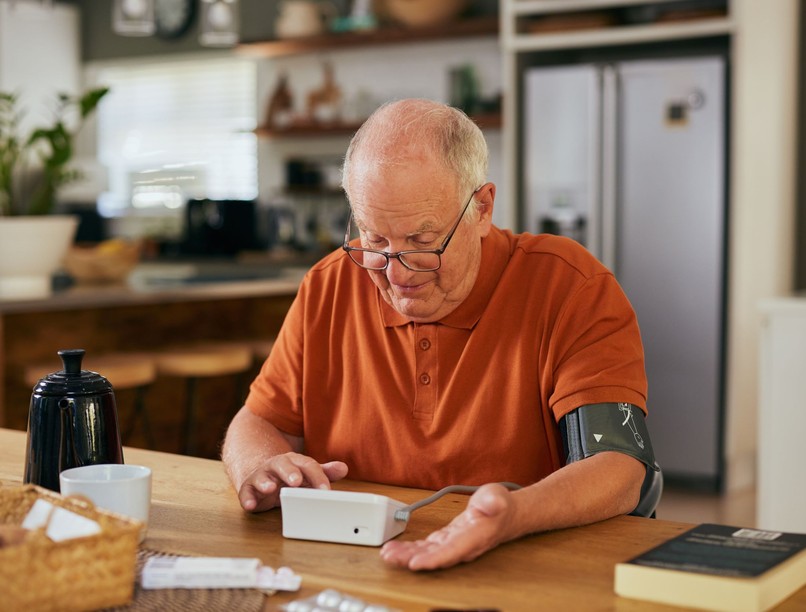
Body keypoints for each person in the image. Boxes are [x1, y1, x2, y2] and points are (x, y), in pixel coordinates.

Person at [222, 98, 661, 571]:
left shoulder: (572, 287)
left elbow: (618, 468)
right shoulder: (329, 284)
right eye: (375, 239)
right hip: (354, 564)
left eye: (422, 241)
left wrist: (514, 516)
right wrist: (259, 467)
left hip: (522, 563)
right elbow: (260, 421)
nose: (397, 271)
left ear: (482, 208)